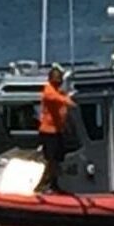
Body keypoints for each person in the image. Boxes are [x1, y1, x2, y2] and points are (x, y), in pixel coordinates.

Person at [38, 65, 76, 193]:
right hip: (48, 132)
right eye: (56, 78)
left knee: (59, 158)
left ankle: (55, 183)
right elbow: (54, 98)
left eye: (59, 78)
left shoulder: (58, 91)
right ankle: (45, 184)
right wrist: (67, 101)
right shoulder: (48, 91)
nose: (59, 80)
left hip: (57, 131)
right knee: (51, 160)